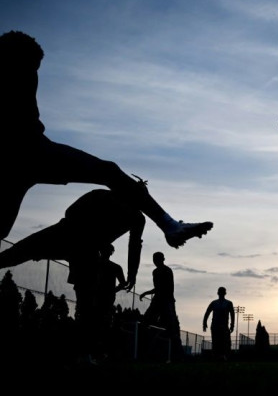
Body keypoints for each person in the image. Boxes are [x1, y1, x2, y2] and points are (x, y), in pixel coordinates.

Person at [0, 30, 213, 250]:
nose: (32, 75)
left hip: (32, 153)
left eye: (35, 69)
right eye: (30, 67)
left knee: (108, 171)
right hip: (28, 151)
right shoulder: (14, 69)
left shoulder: (26, 73)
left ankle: (169, 225)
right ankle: (169, 226)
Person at [0, 188, 145, 363]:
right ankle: (84, 351)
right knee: (18, 252)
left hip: (85, 249)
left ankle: (84, 351)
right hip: (67, 235)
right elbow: (71, 212)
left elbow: (135, 245)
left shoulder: (136, 217)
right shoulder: (103, 197)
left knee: (86, 303)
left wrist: (132, 273)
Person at [139, 251, 184, 361]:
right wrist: (146, 293)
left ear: (162, 259)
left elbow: (168, 288)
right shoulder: (155, 272)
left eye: (157, 259)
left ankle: (178, 355)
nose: (155, 261)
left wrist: (167, 304)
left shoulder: (167, 271)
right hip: (158, 300)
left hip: (166, 301)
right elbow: (157, 288)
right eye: (154, 259)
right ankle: (144, 350)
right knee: (145, 322)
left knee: (172, 328)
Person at [202, 286, 235, 361]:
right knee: (216, 342)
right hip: (215, 326)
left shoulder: (228, 303)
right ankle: (216, 357)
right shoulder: (214, 303)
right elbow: (207, 312)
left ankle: (223, 357)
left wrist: (232, 325)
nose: (221, 294)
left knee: (224, 342)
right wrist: (204, 323)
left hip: (223, 326)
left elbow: (232, 314)